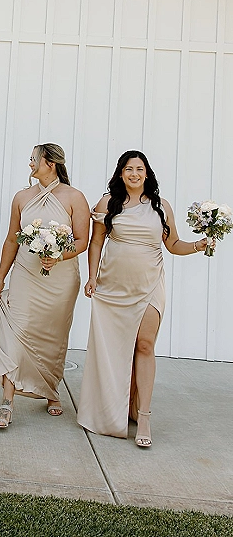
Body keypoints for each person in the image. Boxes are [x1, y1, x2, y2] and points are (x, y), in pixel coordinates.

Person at [77, 150, 206, 447]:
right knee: (115, 350)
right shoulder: (108, 203)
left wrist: (199, 244)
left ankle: (143, 416)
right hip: (112, 288)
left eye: (139, 169)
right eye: (128, 169)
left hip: (149, 284)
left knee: (145, 345)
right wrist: (92, 276)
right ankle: (116, 410)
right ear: (121, 173)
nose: (134, 174)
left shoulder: (161, 206)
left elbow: (173, 244)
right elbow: (96, 241)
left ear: (147, 173)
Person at [0, 143, 90, 428]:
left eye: (33, 159)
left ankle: (50, 390)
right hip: (25, 273)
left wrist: (59, 255)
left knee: (53, 336)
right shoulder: (21, 197)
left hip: (61, 278)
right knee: (15, 332)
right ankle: (7, 401)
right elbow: (12, 239)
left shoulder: (74, 197)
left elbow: (82, 240)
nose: (30, 164)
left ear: (50, 163)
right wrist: (0, 277)